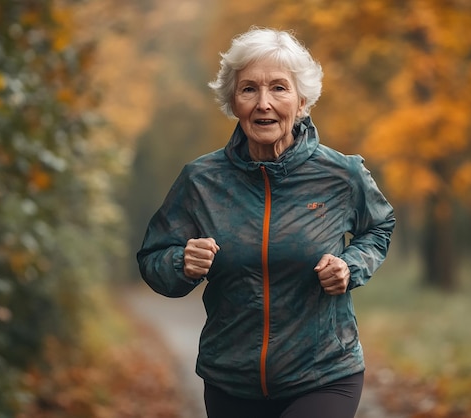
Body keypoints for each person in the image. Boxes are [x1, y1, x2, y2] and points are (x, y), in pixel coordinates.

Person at [137, 27, 395, 418]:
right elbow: (153, 257)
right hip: (230, 379)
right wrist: (180, 263)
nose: (264, 104)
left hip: (323, 372)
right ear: (232, 101)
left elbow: (379, 226)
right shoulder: (201, 180)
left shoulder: (341, 174)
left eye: (278, 88)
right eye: (249, 90)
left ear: (302, 100)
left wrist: (351, 265)